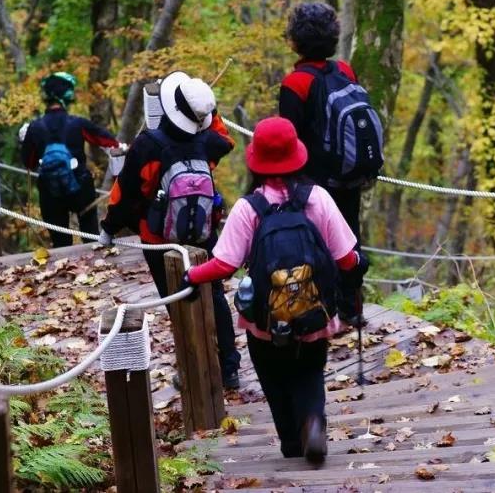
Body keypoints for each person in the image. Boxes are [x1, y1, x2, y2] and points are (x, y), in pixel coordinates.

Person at [182, 116, 363, 465]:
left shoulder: (249, 208)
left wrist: (192, 276)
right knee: (310, 372)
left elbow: (224, 264)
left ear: (257, 161)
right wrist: (359, 261)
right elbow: (344, 258)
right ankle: (313, 423)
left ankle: (291, 443)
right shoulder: (318, 199)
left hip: (265, 321)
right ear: (297, 155)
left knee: (273, 377)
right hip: (314, 315)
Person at [98, 71, 241, 389]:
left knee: (178, 301)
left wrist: (109, 228)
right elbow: (227, 141)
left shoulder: (148, 145)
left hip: (159, 238)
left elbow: (126, 193)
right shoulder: (206, 141)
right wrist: (209, 113)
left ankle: (193, 373)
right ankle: (229, 369)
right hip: (204, 233)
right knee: (215, 295)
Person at [278, 2, 382, 324]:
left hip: (314, 181)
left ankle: (323, 311)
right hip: (349, 174)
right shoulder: (344, 70)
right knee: (349, 237)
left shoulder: (295, 83)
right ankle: (352, 309)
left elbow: (289, 138)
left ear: (295, 40)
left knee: (316, 243)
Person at [20, 72, 122, 248]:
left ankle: (65, 271)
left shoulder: (35, 127)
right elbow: (110, 143)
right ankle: (97, 268)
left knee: (61, 242)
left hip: (50, 191)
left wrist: (26, 139)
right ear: (67, 96)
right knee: (90, 236)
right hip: (80, 187)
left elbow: (28, 162)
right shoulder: (77, 123)